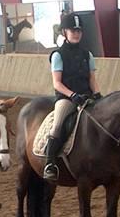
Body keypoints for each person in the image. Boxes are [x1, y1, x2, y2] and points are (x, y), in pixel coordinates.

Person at [43, 12, 101, 182]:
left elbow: (92, 79)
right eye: (72, 30)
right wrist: (72, 95)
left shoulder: (87, 54)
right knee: (58, 124)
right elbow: (57, 83)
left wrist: (98, 95)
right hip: (67, 99)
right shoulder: (58, 55)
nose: (76, 33)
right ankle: (50, 163)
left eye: (78, 31)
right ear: (64, 33)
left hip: (87, 97)